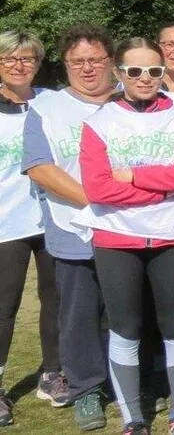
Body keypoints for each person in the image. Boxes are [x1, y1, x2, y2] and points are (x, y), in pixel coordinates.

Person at [74, 37, 174, 435]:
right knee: (125, 328)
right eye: (134, 71)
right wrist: (169, 182)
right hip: (116, 238)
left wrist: (134, 175)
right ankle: (133, 419)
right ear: (119, 73)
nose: (145, 78)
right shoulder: (99, 123)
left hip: (172, 236)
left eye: (154, 70)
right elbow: (98, 188)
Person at [22, 24, 118, 431]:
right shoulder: (47, 108)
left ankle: (129, 380)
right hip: (73, 230)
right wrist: (95, 201)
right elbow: (40, 167)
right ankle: (86, 390)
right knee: (79, 315)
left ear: (111, 62)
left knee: (126, 311)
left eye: (96, 59)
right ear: (65, 65)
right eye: (78, 61)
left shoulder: (130, 100)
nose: (88, 68)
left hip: (128, 228)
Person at [0, 31, 63, 426]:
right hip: (5, 224)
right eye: (9, 59)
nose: (18, 66)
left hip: (51, 218)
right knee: (4, 307)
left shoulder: (51, 103)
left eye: (27, 59)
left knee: (56, 299)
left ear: (38, 63)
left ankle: (53, 374)